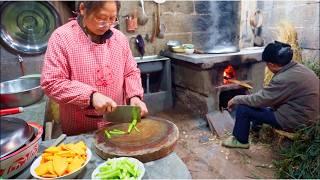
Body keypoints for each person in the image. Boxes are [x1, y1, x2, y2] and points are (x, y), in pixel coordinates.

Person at [41, 1, 148, 135]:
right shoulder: (62, 38)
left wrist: (135, 97)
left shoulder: (119, 39)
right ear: (82, 9)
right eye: (101, 18)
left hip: (117, 123)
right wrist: (91, 96)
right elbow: (51, 82)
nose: (107, 25)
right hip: (80, 127)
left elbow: (130, 72)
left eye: (112, 19)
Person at [222, 41, 319, 149]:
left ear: (272, 65)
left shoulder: (283, 79)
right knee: (260, 106)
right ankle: (256, 130)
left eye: (267, 64)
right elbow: (266, 98)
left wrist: (236, 99)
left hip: (296, 121)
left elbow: (259, 100)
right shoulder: (298, 68)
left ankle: (240, 141)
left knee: (243, 108)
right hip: (308, 114)